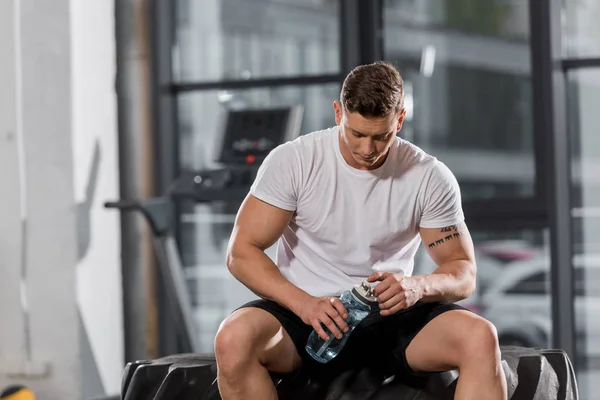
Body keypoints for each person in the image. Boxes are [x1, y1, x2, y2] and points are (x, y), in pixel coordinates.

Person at [214, 61, 508, 400]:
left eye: (381, 136)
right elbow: (242, 252)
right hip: (304, 316)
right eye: (357, 134)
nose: (367, 150)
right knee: (233, 338)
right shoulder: (294, 161)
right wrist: (305, 305)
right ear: (339, 113)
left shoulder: (428, 176)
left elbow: (463, 271)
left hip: (390, 317)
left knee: (480, 337)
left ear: (399, 120)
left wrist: (417, 286)